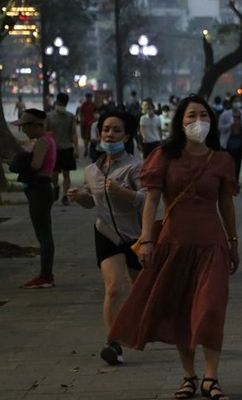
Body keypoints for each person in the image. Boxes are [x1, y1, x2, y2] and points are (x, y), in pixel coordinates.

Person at [108, 94, 240, 400]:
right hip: (173, 243)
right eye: (192, 116)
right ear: (179, 121)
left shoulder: (221, 160)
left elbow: (227, 204)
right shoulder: (164, 156)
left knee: (210, 308)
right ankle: (189, 376)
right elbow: (151, 200)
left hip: (212, 244)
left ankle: (212, 377)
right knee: (182, 310)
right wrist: (146, 239)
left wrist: (234, 243)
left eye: (204, 116)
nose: (199, 122)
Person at [67, 110, 145, 366]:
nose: (109, 134)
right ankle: (113, 343)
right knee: (113, 287)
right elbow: (92, 203)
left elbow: (146, 200)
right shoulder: (91, 170)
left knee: (142, 291)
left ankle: (149, 327)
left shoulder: (136, 166)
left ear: (127, 135)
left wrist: (123, 192)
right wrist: (80, 198)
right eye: (105, 130)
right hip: (105, 233)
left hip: (135, 235)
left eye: (116, 130)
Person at [11, 109, 57, 289]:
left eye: (26, 127)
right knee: (44, 233)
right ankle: (46, 275)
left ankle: (45, 275)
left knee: (43, 235)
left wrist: (20, 163)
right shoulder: (46, 140)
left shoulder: (43, 141)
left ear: (37, 125)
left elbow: (36, 165)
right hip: (40, 190)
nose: (24, 131)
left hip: (40, 189)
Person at [46, 92, 79, 206]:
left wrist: (76, 148)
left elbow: (73, 133)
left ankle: (65, 195)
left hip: (67, 148)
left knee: (66, 174)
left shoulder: (70, 116)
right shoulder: (49, 116)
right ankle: (55, 187)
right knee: (54, 174)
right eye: (60, 103)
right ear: (56, 102)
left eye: (63, 104)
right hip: (54, 149)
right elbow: (45, 132)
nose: (61, 106)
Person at [218, 94, 242, 184]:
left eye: (238, 101)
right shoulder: (225, 114)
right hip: (228, 141)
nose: (237, 103)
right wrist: (230, 126)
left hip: (239, 141)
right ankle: (227, 181)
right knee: (228, 163)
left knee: (238, 163)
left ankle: (235, 181)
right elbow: (220, 127)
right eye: (235, 101)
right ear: (231, 103)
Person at [79, 92, 97, 157]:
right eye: (87, 98)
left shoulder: (94, 105)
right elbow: (81, 114)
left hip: (92, 124)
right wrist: (81, 121)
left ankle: (90, 150)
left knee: (91, 137)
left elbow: (96, 114)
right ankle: (86, 149)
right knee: (85, 138)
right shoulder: (83, 105)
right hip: (85, 124)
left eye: (90, 98)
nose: (89, 99)